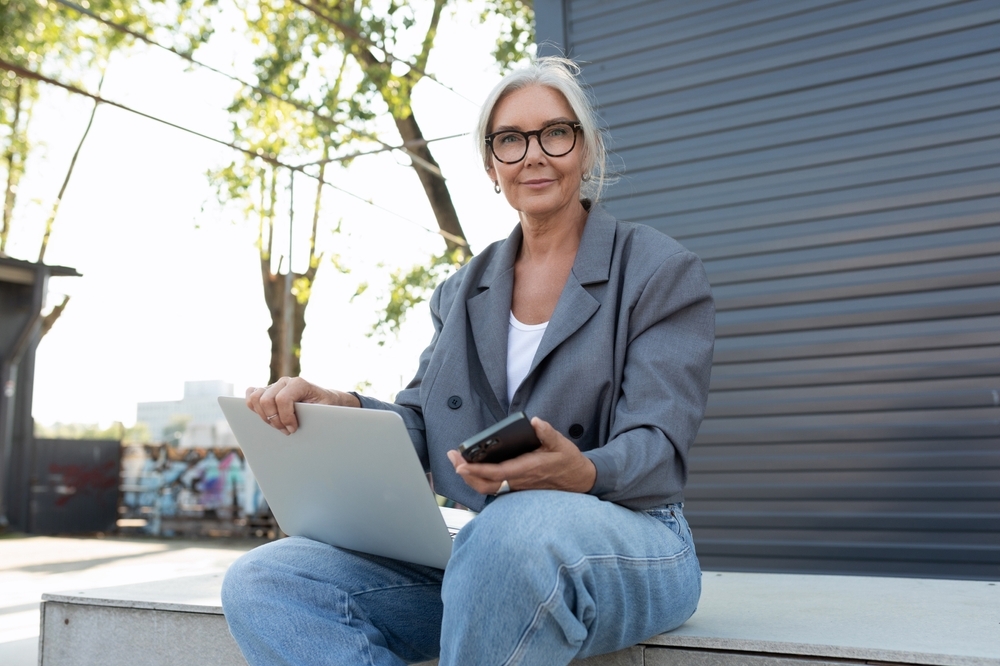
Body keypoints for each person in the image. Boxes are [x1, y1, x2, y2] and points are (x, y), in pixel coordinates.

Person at [222, 56, 715, 666]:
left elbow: (658, 450)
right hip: (487, 547)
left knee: (512, 532)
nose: (533, 154)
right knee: (268, 580)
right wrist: (344, 408)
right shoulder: (461, 292)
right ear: (490, 166)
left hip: (634, 538)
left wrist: (578, 471)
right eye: (510, 140)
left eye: (554, 133)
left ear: (584, 151)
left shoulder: (659, 272)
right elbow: (423, 424)